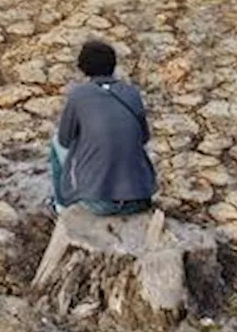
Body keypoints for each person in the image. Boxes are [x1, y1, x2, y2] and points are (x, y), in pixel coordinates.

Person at [49, 40, 157, 216]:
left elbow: (64, 140)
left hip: (99, 202)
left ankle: (62, 207)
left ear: (82, 67)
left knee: (55, 145)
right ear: (113, 65)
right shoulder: (132, 93)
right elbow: (144, 138)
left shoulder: (79, 95)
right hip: (140, 199)